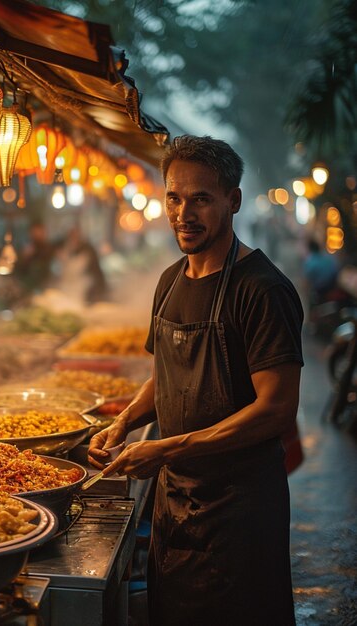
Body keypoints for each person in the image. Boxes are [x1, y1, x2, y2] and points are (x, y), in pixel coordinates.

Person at [88, 135, 303, 625]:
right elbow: (166, 374)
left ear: (233, 201)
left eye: (201, 199)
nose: (184, 213)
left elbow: (275, 410)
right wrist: (123, 423)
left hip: (240, 511)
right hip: (177, 506)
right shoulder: (169, 282)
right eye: (174, 197)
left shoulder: (263, 290)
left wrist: (164, 449)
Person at [52, 225, 108, 303]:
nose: (73, 239)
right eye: (71, 236)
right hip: (74, 289)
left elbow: (92, 273)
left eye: (75, 236)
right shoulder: (68, 249)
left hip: (90, 289)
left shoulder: (87, 250)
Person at [14, 220, 55, 295]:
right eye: (34, 233)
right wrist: (25, 258)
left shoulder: (49, 250)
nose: (37, 235)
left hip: (47, 288)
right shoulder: (27, 250)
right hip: (28, 289)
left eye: (39, 232)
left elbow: (52, 270)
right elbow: (19, 271)